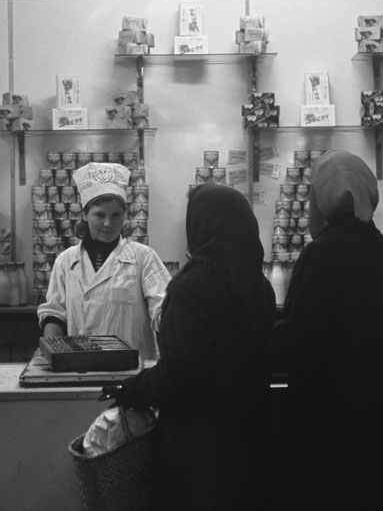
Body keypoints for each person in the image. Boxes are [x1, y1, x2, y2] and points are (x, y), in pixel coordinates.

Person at [108, 182, 277, 510]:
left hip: (200, 450)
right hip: (251, 440)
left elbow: (181, 372)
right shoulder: (259, 287)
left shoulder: (192, 288)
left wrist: (131, 389)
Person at [273, 149, 383, 510]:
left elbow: (300, 341)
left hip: (328, 425)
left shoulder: (319, 255)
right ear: (370, 194)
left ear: (319, 201)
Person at [37, 162, 169, 359]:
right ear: (84, 214)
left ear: (125, 216)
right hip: (79, 365)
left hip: (133, 370)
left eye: (116, 215)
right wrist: (49, 355)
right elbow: (54, 313)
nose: (108, 223)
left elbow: (163, 311)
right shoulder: (66, 261)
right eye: (99, 215)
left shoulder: (143, 257)